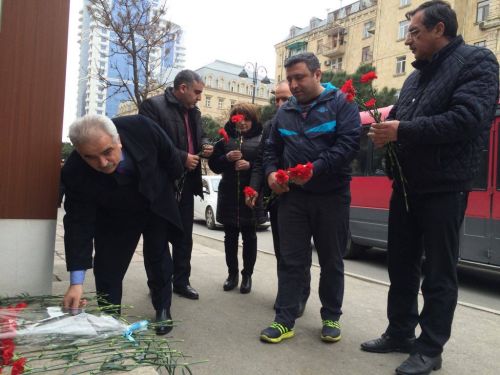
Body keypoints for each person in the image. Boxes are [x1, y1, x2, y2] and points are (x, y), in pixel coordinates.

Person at [360, 2, 499, 374]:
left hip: (444, 186)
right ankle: (400, 331)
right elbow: (403, 122)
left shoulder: (477, 63)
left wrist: (402, 130)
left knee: (438, 270)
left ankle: (430, 348)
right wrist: (386, 137)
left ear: (439, 30)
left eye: (415, 32)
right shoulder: (414, 78)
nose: (409, 41)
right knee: (401, 264)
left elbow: (468, 119)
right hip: (406, 186)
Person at [260, 52, 360, 343]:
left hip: (332, 196)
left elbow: (348, 145)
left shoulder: (342, 105)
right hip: (293, 198)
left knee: (331, 259)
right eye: (289, 79)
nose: (293, 85)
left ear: (318, 74)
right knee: (291, 260)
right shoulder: (284, 112)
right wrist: (270, 175)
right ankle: (284, 319)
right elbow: (271, 151)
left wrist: (314, 169)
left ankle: (331, 317)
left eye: (299, 77)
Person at [62, 114, 184, 335]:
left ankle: (163, 308)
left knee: (158, 256)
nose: (103, 163)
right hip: (115, 213)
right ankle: (110, 316)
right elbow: (78, 224)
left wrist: (166, 191)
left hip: (154, 201)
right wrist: (76, 283)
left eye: (108, 151)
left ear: (118, 139)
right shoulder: (74, 172)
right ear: (80, 153)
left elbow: (172, 161)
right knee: (108, 264)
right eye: (91, 157)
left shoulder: (141, 128)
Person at [139, 70, 213, 300]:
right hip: (161, 186)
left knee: (184, 238)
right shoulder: (153, 106)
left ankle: (182, 282)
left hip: (187, 184)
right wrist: (181, 157)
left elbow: (198, 138)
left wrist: (206, 144)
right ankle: (158, 285)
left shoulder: (195, 112)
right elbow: (149, 144)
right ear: (183, 88)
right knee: (157, 239)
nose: (200, 97)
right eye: (197, 92)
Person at [247, 81, 310, 317]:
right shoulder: (271, 125)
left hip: (303, 196)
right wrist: (254, 188)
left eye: (285, 99)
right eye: (277, 99)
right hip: (277, 197)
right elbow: (262, 161)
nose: (280, 103)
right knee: (282, 251)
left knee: (298, 252)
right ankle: (287, 292)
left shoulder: (305, 119)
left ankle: (300, 295)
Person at [208, 103, 266, 294]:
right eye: (238, 120)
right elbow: (214, 165)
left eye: (246, 119)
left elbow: (265, 165)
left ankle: (247, 275)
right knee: (230, 237)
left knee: (250, 237)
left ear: (253, 120)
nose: (242, 124)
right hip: (229, 195)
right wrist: (226, 158)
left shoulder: (261, 138)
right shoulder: (225, 139)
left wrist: (249, 165)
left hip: (250, 194)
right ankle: (232, 274)